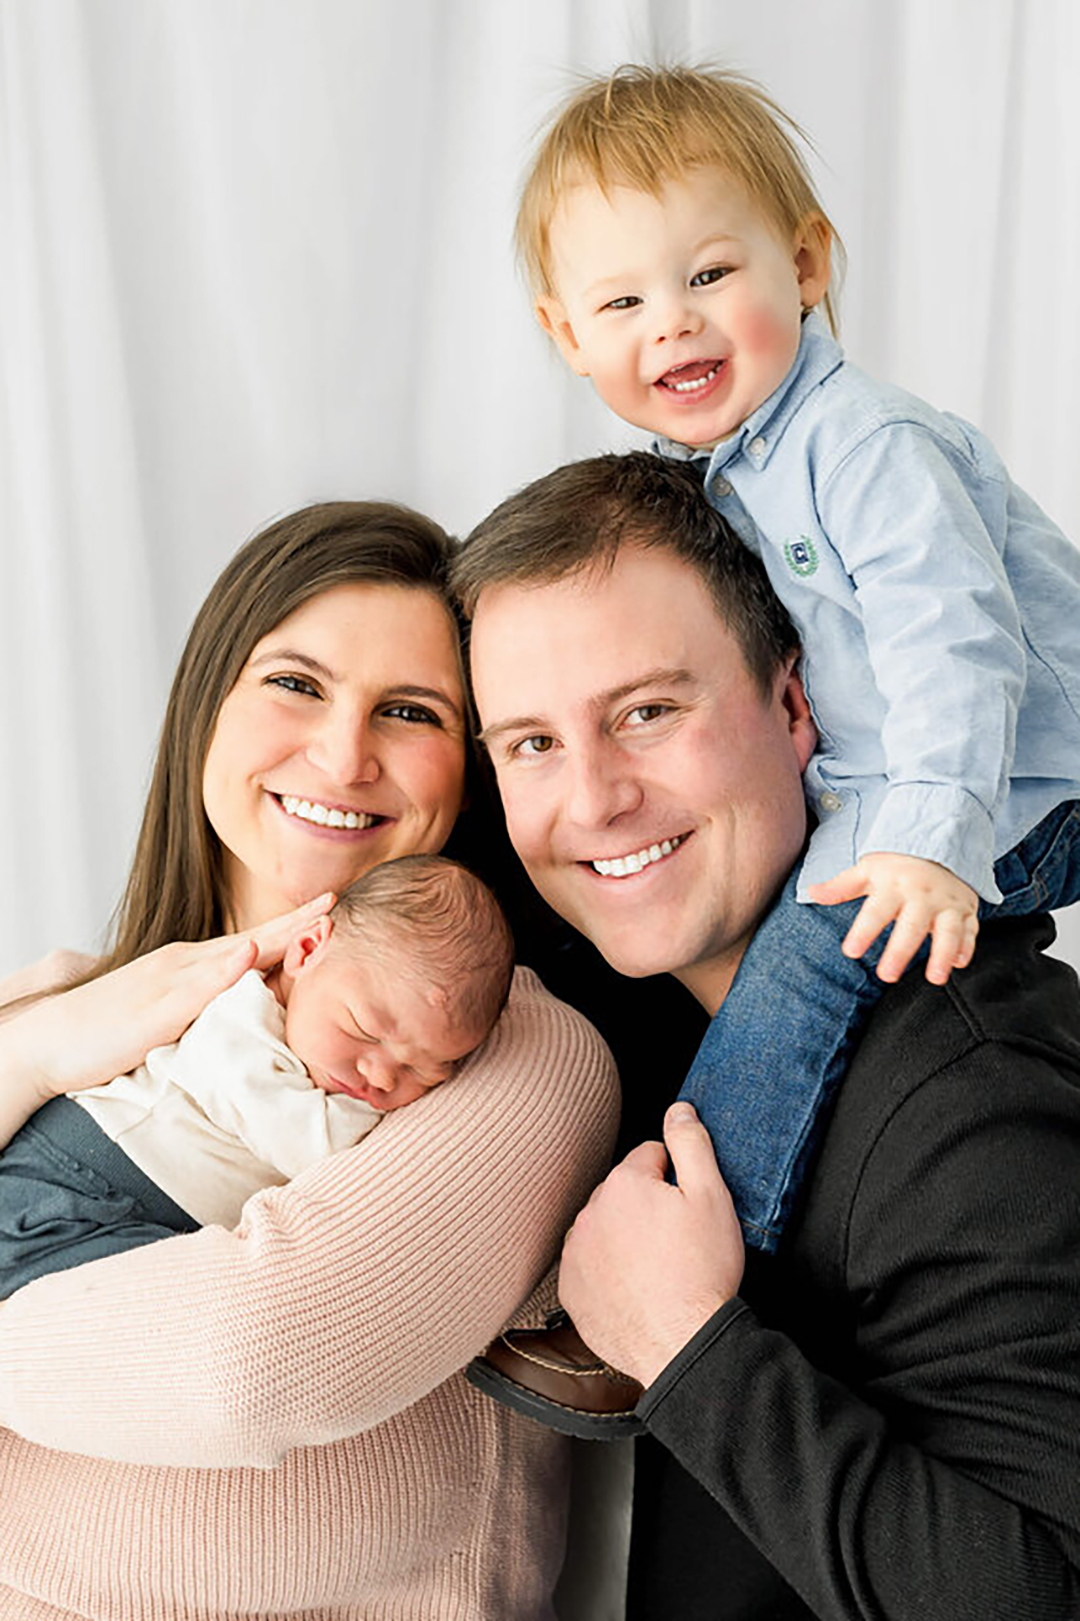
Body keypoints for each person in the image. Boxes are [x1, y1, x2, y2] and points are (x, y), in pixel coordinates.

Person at [452, 451, 1080, 1618]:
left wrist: (693, 1350)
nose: (592, 800)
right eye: (532, 743)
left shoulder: (966, 1092)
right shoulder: (635, 1015)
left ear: (798, 707)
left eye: (646, 712)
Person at [0, 500, 619, 1619]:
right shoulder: (57, 997)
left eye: (410, 709)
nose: (342, 752)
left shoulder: (518, 1058)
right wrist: (45, 1038)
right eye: (295, 683)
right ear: (208, 707)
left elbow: (248, 1367)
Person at [512, 62, 1080, 1249]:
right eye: (620, 305)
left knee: (796, 973)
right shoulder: (739, 474)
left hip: (1016, 789)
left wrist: (925, 842)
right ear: (566, 335)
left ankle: (708, 1240)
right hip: (911, 784)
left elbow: (958, 643)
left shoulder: (860, 442)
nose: (671, 319)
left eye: (709, 274)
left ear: (807, 265)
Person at [0, 854, 515, 1298]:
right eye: (364, 1029)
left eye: (423, 1070)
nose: (379, 1075)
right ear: (308, 950)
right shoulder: (240, 1017)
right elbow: (311, 1151)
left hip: (143, 1215)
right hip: (74, 1182)